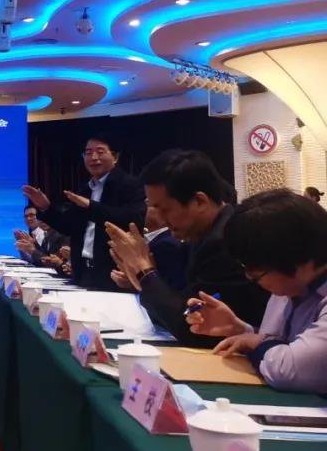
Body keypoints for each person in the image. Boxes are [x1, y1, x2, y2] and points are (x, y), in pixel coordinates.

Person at [106, 149, 269, 346]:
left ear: (199, 201)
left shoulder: (224, 242)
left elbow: (195, 329)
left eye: (164, 209)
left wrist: (144, 272)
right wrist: (141, 278)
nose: (160, 219)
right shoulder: (201, 233)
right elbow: (181, 301)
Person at [185, 189, 327, 393]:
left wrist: (258, 341)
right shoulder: (291, 285)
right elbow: (278, 343)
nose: (249, 277)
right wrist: (239, 330)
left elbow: (285, 369)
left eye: (256, 272)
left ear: (301, 261)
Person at [22, 134, 146, 290]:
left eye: (100, 152)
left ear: (115, 157)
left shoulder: (130, 185)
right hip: (83, 270)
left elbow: (132, 220)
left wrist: (91, 206)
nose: (94, 157)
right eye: (88, 153)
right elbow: (69, 226)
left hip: (115, 271)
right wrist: (46, 207)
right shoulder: (86, 188)